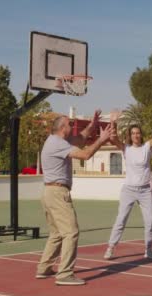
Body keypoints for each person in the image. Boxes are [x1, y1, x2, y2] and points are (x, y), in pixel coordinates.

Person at [36, 110, 113, 286]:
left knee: (56, 234)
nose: (72, 126)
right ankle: (64, 274)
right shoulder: (58, 143)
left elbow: (80, 139)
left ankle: (44, 268)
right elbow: (85, 155)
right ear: (63, 128)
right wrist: (101, 140)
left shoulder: (57, 140)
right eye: (69, 124)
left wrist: (93, 125)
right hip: (57, 193)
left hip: (49, 192)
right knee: (71, 232)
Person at [103, 104, 152, 260]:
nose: (136, 135)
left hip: (145, 190)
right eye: (133, 133)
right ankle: (111, 247)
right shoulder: (126, 148)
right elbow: (113, 138)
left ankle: (148, 249)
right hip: (129, 190)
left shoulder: (146, 147)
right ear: (130, 136)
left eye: (138, 133)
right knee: (121, 219)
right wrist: (113, 122)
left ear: (141, 135)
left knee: (150, 221)